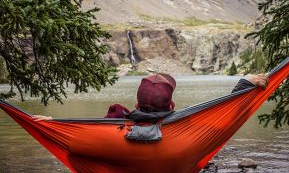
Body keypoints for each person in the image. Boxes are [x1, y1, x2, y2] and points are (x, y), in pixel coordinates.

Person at [33, 73, 268, 121]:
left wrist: (52, 124)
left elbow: (78, 134)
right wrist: (244, 83)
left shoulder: (114, 128)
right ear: (172, 103)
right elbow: (225, 113)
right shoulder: (185, 126)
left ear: (136, 104)